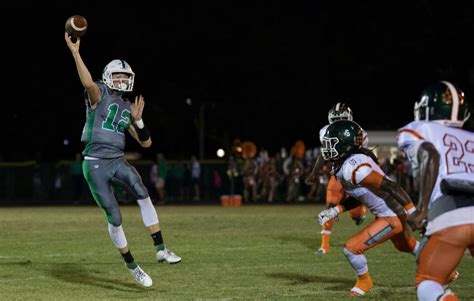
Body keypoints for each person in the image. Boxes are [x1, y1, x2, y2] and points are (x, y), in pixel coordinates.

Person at [65, 32, 181, 288]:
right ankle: (131, 265)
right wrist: (75, 53)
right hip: (95, 164)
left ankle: (161, 248)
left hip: (117, 160)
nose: (122, 80)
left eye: (125, 77)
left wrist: (138, 120)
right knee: (115, 217)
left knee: (143, 192)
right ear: (108, 76)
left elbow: (146, 143)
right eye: (118, 75)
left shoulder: (127, 106)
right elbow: (87, 84)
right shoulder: (99, 95)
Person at [316, 119, 420, 296]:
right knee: (406, 245)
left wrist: (413, 212)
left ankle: (364, 281)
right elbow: (362, 195)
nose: (326, 148)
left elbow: (392, 186)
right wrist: (335, 210)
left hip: (392, 215)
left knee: (351, 248)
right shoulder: (346, 164)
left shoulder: (354, 168)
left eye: (331, 144)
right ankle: (444, 271)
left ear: (345, 145)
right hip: (390, 213)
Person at [397, 80, 472, 301]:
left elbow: (430, 154)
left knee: (428, 280)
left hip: (451, 210)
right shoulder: (470, 137)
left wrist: (422, 210)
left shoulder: (420, 128)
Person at [305, 103, 367, 254]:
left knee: (356, 212)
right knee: (329, 207)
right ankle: (324, 245)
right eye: (336, 120)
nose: (339, 123)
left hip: (353, 175)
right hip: (337, 174)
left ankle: (360, 213)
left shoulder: (358, 132)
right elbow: (324, 153)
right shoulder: (325, 131)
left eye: (342, 119)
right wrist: (314, 173)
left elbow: (363, 155)